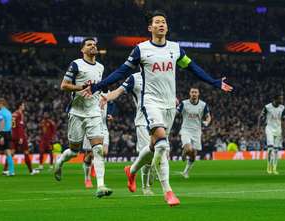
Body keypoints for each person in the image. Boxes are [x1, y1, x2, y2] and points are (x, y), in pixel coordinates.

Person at [82, 10, 233, 206]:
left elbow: (192, 67)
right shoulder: (141, 49)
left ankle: (132, 170)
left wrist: (214, 82)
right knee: (162, 144)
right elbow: (122, 71)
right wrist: (97, 86)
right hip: (151, 103)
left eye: (164, 22)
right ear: (150, 28)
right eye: (157, 22)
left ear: (167, 27)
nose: (161, 24)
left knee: (154, 147)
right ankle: (168, 191)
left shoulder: (176, 49)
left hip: (170, 104)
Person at [54, 37, 112, 198]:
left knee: (98, 149)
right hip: (77, 112)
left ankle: (100, 185)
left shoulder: (101, 67)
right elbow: (63, 85)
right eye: (89, 44)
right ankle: (59, 162)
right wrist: (80, 87)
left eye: (94, 44)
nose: (93, 46)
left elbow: (98, 88)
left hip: (93, 112)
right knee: (74, 151)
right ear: (82, 49)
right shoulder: (76, 64)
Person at [105, 72, 155, 195]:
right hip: (143, 120)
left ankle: (131, 170)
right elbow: (118, 91)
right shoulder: (134, 78)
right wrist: (106, 97)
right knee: (148, 154)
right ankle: (146, 187)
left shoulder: (159, 75)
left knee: (157, 152)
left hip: (159, 119)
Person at [177, 87, 211, 179]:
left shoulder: (203, 105)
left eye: (196, 92)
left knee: (194, 154)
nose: (194, 94)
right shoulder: (184, 103)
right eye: (192, 92)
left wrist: (207, 122)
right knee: (189, 149)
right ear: (189, 93)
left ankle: (185, 172)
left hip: (197, 131)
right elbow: (176, 112)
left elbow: (208, 116)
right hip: (186, 129)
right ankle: (185, 151)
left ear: (198, 94)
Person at [82, 93, 114, 189]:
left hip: (103, 127)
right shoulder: (88, 93)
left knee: (104, 152)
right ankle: (87, 178)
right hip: (90, 126)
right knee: (88, 155)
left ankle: (94, 163)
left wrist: (110, 115)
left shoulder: (107, 93)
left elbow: (110, 107)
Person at [258, 94, 285, 175]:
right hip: (269, 128)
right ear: (275, 99)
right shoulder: (267, 107)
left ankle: (274, 168)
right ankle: (268, 167)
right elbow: (260, 117)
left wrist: (284, 133)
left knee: (276, 150)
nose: (282, 100)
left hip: (278, 130)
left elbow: (284, 121)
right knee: (270, 148)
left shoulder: (282, 108)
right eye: (280, 99)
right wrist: (258, 128)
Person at [10, 101, 39, 175]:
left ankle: (5, 170)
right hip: (20, 136)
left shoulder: (13, 114)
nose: (24, 106)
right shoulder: (20, 114)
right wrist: (21, 137)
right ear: (20, 106)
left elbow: (12, 125)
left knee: (11, 153)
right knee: (26, 152)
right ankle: (31, 171)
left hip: (13, 135)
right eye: (23, 105)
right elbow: (19, 127)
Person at [0, 98, 14, 176]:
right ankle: (11, 171)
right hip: (9, 133)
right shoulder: (9, 112)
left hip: (2, 133)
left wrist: (0, 135)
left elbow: (2, 123)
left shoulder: (0, 113)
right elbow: (10, 124)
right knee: (8, 153)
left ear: (1, 104)